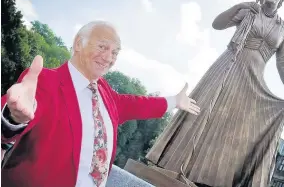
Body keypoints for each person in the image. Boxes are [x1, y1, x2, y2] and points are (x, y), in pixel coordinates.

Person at [1, 21, 200, 187]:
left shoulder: (105, 94)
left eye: (115, 52)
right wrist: (12, 117)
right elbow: (10, 118)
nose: (108, 58)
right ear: (78, 44)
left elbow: (137, 104)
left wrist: (174, 101)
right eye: (103, 47)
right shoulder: (45, 81)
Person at [146, 0, 284, 187]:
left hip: (253, 81)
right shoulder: (249, 11)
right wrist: (239, 6)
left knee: (234, 131)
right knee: (202, 115)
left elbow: (283, 61)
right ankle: (174, 166)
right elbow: (217, 24)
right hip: (229, 66)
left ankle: (208, 179)